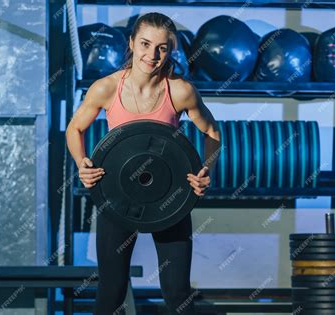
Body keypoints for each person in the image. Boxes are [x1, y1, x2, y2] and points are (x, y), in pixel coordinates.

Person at [66, 12, 221, 315]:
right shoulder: (106, 88)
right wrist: (81, 164)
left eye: (162, 48)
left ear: (170, 50)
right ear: (132, 43)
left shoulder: (180, 90)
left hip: (171, 194)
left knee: (177, 294)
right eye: (146, 44)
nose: (152, 55)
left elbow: (212, 131)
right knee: (111, 291)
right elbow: (75, 128)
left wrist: (207, 170)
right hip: (117, 194)